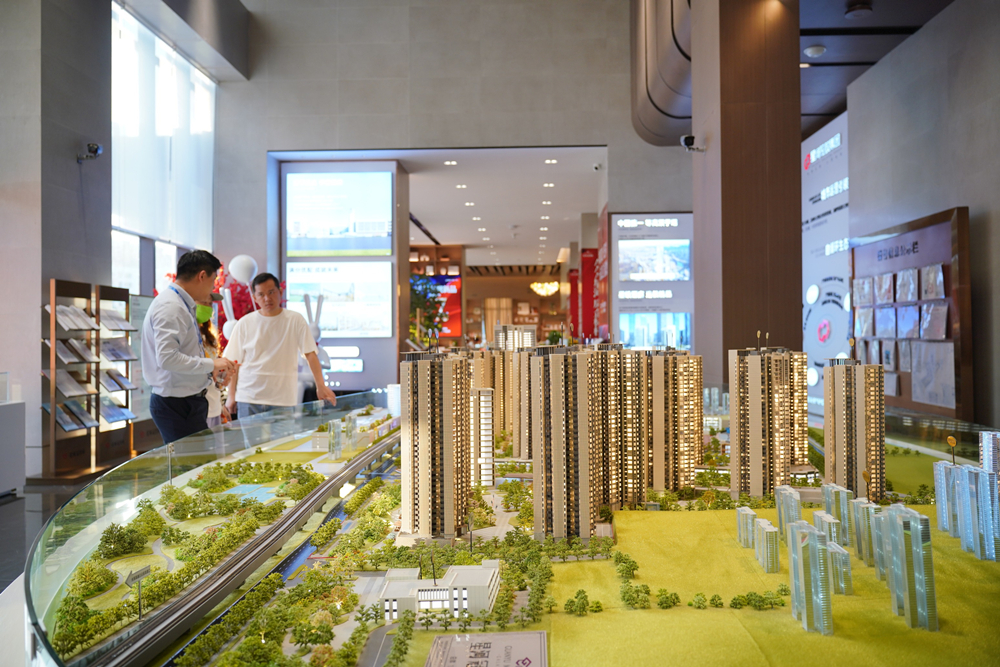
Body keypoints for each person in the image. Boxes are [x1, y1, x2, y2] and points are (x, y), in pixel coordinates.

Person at [143, 250, 235, 443]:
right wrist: (211, 364)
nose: (212, 288)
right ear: (202, 276)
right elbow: (167, 358)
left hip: (187, 402)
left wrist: (212, 370)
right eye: (213, 280)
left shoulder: (181, 304)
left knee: (198, 459)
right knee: (192, 461)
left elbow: (185, 353)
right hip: (177, 404)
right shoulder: (171, 306)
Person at [224, 272, 336, 419]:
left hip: (283, 400)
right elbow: (233, 362)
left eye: (271, 292)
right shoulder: (244, 323)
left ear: (280, 292)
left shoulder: (295, 320)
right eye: (261, 294)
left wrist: (320, 386)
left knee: (284, 435)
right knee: (252, 436)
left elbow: (310, 354)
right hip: (249, 398)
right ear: (254, 298)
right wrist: (231, 396)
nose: (267, 298)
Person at [195, 292, 230, 427]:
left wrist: (221, 405)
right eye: (204, 302)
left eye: (210, 304)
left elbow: (214, 378)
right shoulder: (188, 338)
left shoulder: (209, 338)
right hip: (199, 409)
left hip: (214, 407)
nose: (207, 307)